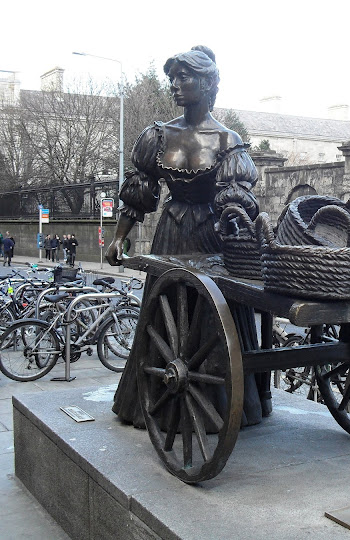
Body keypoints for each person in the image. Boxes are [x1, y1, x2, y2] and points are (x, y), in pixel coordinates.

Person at [105, 45, 265, 428]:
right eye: (172, 78)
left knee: (215, 315)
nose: (176, 85)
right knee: (165, 315)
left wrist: (234, 226)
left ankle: (222, 405)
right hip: (171, 235)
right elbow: (139, 193)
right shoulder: (158, 136)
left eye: (185, 77)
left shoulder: (229, 141)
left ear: (208, 83)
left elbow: (239, 204)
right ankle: (158, 399)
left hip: (211, 237)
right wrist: (119, 237)